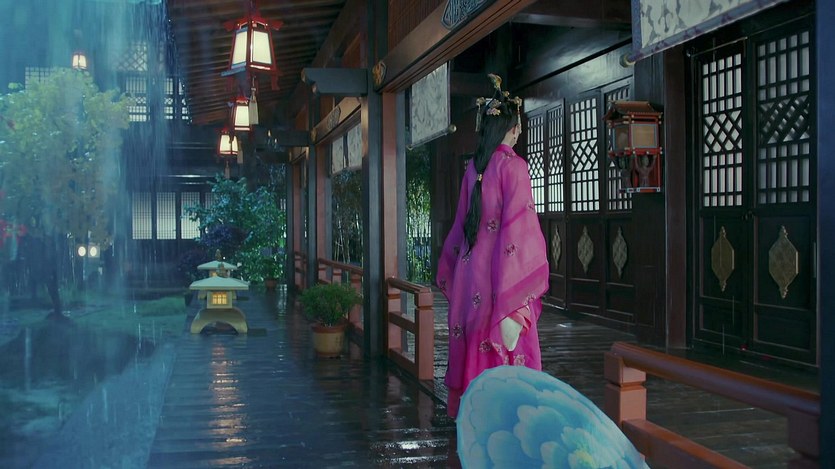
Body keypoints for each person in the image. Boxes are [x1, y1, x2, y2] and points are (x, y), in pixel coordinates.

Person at [435, 74, 549, 419]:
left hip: (470, 271)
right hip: (499, 275)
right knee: (504, 340)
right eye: (518, 126)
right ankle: (504, 420)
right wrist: (515, 295)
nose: (519, 132)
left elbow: (461, 224)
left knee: (474, 338)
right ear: (512, 129)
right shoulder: (514, 166)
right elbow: (520, 231)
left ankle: (473, 414)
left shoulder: (474, 167)